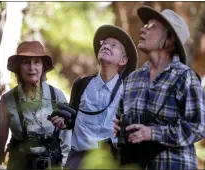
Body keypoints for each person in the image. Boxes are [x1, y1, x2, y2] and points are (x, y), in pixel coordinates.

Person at [114, 5, 205, 170]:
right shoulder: (131, 79)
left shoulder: (185, 77)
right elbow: (119, 119)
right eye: (145, 25)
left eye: (151, 27)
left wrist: (152, 133)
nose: (142, 30)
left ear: (169, 39)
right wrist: (118, 127)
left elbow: (199, 126)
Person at [51, 25, 138, 169]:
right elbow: (72, 119)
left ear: (123, 61)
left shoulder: (128, 91)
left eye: (114, 45)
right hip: (77, 160)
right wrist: (63, 121)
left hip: (110, 161)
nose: (106, 46)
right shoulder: (81, 84)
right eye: (104, 43)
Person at [0, 41, 72, 170]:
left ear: (43, 66)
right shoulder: (7, 100)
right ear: (18, 68)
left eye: (36, 62)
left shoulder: (56, 96)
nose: (32, 68)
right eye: (26, 62)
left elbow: (67, 139)